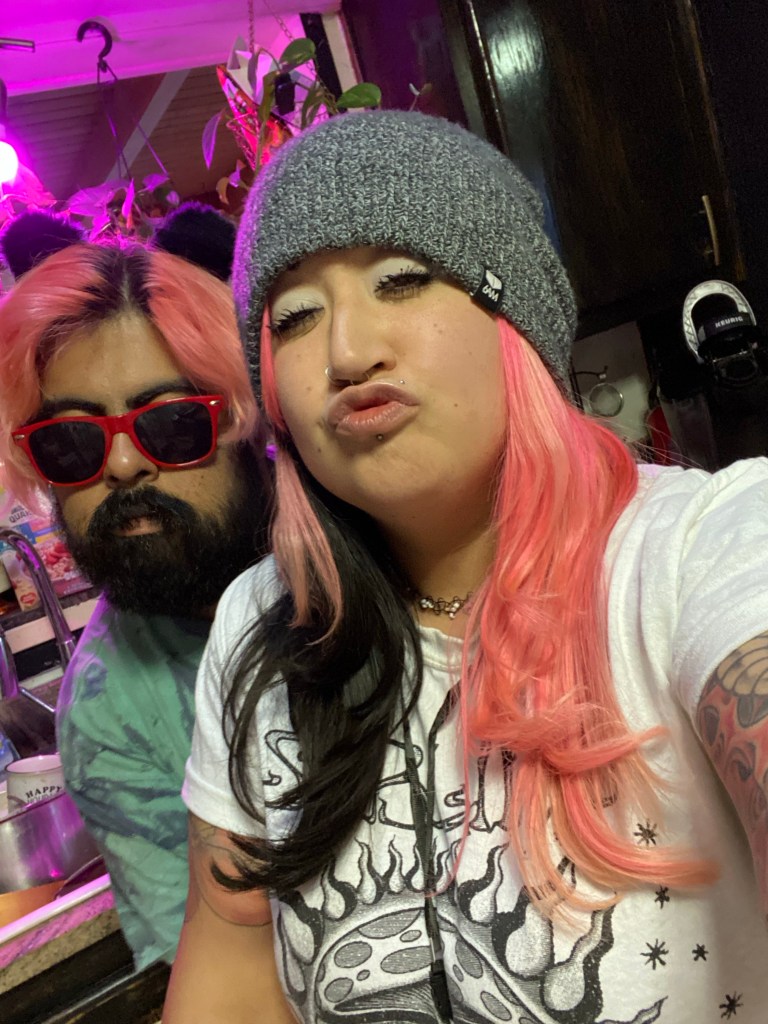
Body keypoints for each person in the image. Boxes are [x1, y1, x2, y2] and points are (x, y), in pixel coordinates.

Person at [164, 110, 768, 1023]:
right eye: (294, 317)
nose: (346, 352)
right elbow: (230, 968)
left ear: (514, 319)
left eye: (402, 280)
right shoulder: (261, 623)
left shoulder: (700, 546)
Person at [0, 215, 272, 970]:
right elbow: (222, 982)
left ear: (244, 423)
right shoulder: (110, 719)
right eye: (72, 442)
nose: (122, 466)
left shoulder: (369, 537)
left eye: (172, 424)